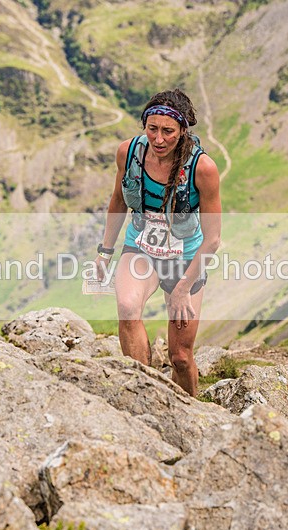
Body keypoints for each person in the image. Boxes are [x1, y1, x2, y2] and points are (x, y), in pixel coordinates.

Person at [95, 88, 221, 397]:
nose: (159, 139)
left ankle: (191, 413)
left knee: (180, 357)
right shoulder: (129, 152)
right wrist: (105, 252)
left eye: (168, 131)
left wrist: (181, 290)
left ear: (182, 131)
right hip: (141, 247)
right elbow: (118, 201)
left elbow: (213, 240)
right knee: (127, 307)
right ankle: (143, 393)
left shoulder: (203, 169)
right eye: (152, 129)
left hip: (186, 259)